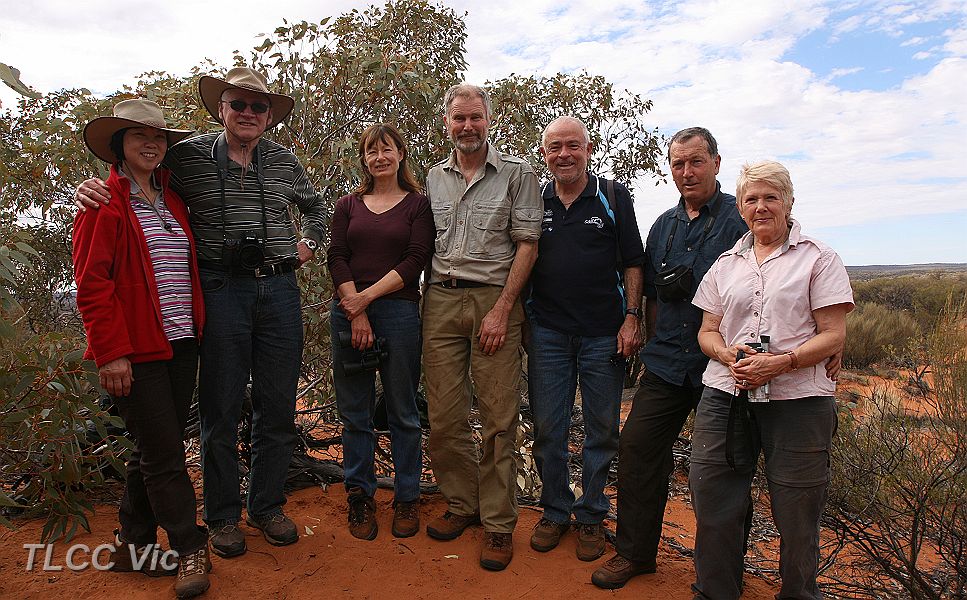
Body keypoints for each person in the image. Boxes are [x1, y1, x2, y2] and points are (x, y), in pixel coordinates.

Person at [75, 67, 328, 558]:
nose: (248, 113)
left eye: (258, 106)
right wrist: (90, 189)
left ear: (270, 115)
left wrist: (308, 244)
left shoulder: (284, 161)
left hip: (279, 290)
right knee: (220, 406)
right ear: (221, 109)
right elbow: (134, 181)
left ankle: (268, 506)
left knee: (277, 405)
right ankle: (222, 516)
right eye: (238, 104)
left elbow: (318, 209)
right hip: (218, 290)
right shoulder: (186, 157)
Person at [592, 127, 748, 589]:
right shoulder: (663, 225)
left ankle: (723, 575)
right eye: (678, 164)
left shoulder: (739, 221)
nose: (686, 172)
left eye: (696, 162)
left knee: (724, 468)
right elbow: (653, 290)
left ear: (717, 163)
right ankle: (635, 554)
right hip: (666, 362)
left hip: (722, 366)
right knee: (638, 448)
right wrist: (640, 325)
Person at [689, 160, 853, 599]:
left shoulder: (820, 258)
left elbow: (833, 335)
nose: (760, 207)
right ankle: (715, 591)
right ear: (740, 207)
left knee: (797, 509)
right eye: (751, 199)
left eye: (770, 197)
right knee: (714, 498)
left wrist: (781, 363)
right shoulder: (727, 264)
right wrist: (727, 355)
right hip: (727, 394)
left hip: (799, 400)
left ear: (789, 201)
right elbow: (707, 330)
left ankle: (799, 593)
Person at [74, 99, 210, 598]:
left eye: (158, 137)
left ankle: (132, 544)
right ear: (120, 147)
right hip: (135, 350)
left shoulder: (173, 201)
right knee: (165, 453)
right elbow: (91, 285)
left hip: (179, 343)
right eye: (138, 137)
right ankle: (190, 545)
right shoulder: (103, 203)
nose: (151, 144)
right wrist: (110, 352)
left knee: (152, 450)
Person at [421, 83, 542, 571]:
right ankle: (461, 504)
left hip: (496, 300)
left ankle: (497, 523)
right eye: (459, 119)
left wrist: (503, 308)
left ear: (488, 120)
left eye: (475, 118)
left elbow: (528, 243)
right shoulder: (432, 178)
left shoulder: (517, 174)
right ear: (447, 123)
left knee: (498, 418)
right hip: (440, 301)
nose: (467, 126)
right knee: (444, 416)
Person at [526, 116, 645, 562]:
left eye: (572, 145)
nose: (564, 154)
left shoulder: (612, 197)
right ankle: (555, 511)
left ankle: (592, 514)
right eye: (555, 147)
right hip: (548, 334)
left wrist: (631, 317)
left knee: (600, 431)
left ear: (589, 148)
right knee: (548, 429)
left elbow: (634, 262)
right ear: (544, 155)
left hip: (604, 335)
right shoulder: (535, 202)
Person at [326, 123, 434, 540]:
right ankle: (360, 497)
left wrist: (364, 299)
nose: (380, 157)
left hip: (400, 314)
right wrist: (355, 310)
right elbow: (337, 256)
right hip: (349, 313)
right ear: (364, 160)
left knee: (403, 411)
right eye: (372, 152)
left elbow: (416, 259)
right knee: (355, 414)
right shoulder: (347, 205)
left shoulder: (417, 206)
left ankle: (407, 498)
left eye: (387, 149)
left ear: (401, 155)